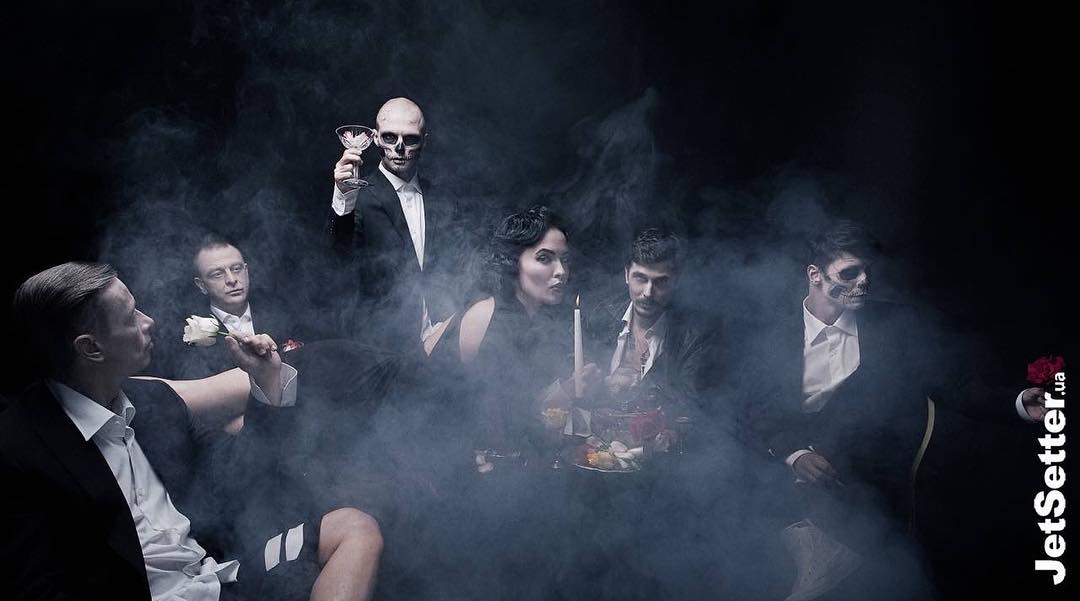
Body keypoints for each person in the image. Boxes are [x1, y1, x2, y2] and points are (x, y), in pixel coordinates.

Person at [0, 262, 382, 601]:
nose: (148, 321)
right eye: (131, 317)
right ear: (91, 348)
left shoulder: (154, 402)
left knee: (353, 527)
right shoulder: (19, 449)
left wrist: (265, 378)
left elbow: (239, 475)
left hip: (217, 577)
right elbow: (40, 587)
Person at [743, 220, 1048, 600]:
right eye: (850, 272)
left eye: (868, 272)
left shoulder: (891, 322)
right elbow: (755, 410)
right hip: (783, 499)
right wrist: (796, 454)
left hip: (874, 501)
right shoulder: (771, 329)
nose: (863, 282)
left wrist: (1017, 402)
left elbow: (952, 383)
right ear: (814, 275)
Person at [326, 97, 461, 352]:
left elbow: (458, 265)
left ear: (424, 141)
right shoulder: (357, 196)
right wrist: (343, 195)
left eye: (410, 139)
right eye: (390, 137)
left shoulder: (443, 199)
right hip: (383, 346)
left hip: (443, 342)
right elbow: (337, 256)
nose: (399, 147)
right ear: (375, 138)